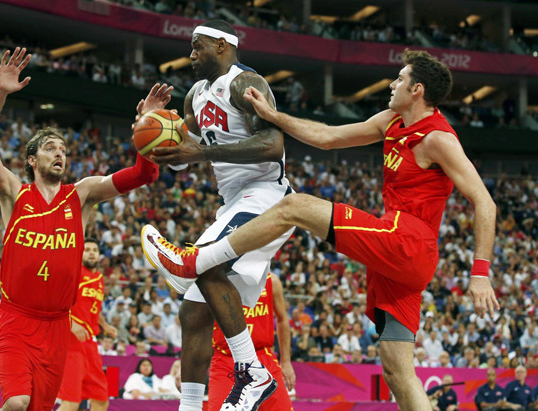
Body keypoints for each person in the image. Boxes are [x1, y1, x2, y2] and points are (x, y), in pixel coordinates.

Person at [143, 49, 499, 411]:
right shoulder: (392, 120)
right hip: (396, 257)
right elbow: (327, 137)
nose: (392, 84)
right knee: (397, 370)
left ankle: (195, 261)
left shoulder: (439, 138)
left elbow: (485, 202)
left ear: (417, 89)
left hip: (408, 240)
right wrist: (273, 116)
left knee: (295, 206)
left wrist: (480, 273)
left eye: (400, 79)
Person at [0, 47, 159, 411]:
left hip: (56, 329)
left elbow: (143, 175)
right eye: (50, 148)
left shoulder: (82, 195)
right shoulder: (13, 193)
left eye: (63, 150)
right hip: (15, 319)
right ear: (31, 159)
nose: (60, 154)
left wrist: (146, 130)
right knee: (16, 402)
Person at [140, 20, 293, 411]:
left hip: (266, 197)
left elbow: (273, 144)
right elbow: (183, 153)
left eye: (198, 46)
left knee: (202, 264)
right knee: (192, 310)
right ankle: (190, 406)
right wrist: (154, 127)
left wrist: (201, 154)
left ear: (223, 46)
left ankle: (252, 373)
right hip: (234, 203)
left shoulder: (246, 83)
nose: (191, 55)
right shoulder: (195, 95)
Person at [207, 273, 295, 411]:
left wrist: (286, 361)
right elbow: (196, 325)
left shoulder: (272, 281)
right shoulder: (214, 280)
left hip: (262, 357)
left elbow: (283, 319)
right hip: (226, 360)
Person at [57, 238, 119, 411]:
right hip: (70, 343)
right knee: (71, 402)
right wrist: (71, 323)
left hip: (90, 344)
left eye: (95, 250)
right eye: (87, 249)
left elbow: (93, 308)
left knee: (101, 399)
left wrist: (105, 325)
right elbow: (54, 302)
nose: (91, 252)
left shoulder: (99, 278)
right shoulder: (72, 273)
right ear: (80, 253)